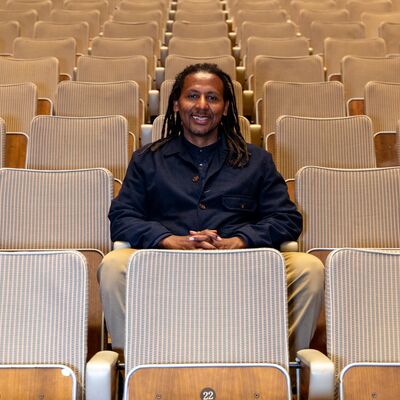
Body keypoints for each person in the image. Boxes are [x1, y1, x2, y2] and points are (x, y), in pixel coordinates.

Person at [99, 63, 324, 359]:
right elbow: (123, 217)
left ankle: (280, 364)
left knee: (309, 269)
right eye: (192, 96)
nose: (202, 106)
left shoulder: (256, 161)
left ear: (226, 107)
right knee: (114, 265)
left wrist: (240, 240)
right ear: (177, 105)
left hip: (242, 262)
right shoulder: (147, 159)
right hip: (165, 261)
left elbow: (286, 219)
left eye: (212, 98)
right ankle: (134, 364)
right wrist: (169, 239)